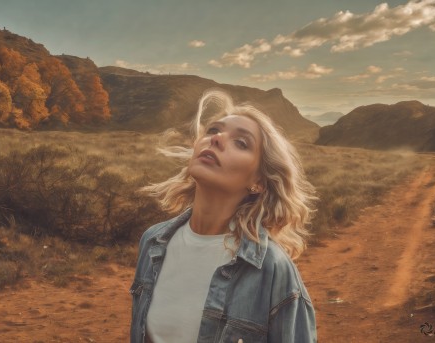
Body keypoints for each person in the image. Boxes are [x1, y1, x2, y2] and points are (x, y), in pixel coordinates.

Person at [130, 89, 317, 343]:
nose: (216, 139)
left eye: (241, 143)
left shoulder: (272, 269)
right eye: (212, 130)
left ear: (259, 182)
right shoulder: (153, 242)